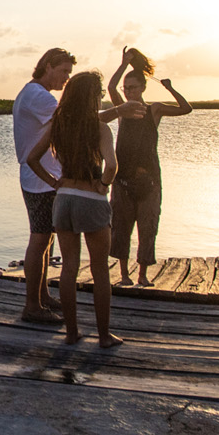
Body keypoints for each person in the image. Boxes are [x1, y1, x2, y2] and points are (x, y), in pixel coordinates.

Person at [13, 49, 143, 323]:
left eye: (69, 74)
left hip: (42, 179)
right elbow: (77, 121)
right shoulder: (39, 96)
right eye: (64, 72)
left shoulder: (31, 92)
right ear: (47, 66)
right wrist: (119, 111)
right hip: (41, 181)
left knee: (46, 241)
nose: (66, 80)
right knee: (39, 240)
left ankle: (43, 297)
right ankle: (32, 306)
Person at [26, 71, 121, 347]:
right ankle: (104, 336)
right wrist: (103, 184)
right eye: (99, 94)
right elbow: (112, 166)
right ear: (92, 97)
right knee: (100, 271)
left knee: (69, 268)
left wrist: (54, 183)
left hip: (64, 200)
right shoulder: (100, 128)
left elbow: (32, 158)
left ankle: (71, 333)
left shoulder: (59, 126)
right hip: (91, 200)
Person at [106, 47, 191, 285]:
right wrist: (124, 63)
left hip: (149, 180)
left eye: (133, 87)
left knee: (148, 227)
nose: (128, 91)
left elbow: (186, 109)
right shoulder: (123, 110)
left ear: (143, 88)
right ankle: (124, 275)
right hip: (123, 180)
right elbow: (111, 87)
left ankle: (142, 275)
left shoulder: (154, 110)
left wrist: (170, 88)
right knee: (120, 228)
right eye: (126, 88)